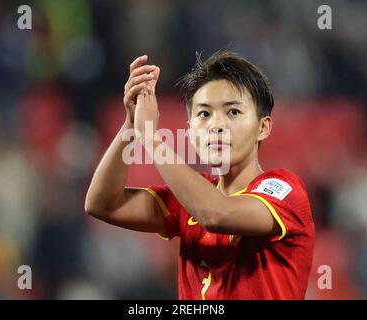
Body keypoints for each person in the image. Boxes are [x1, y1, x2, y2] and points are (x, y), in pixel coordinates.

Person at [85, 50, 315, 300]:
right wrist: (131, 124)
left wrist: (151, 136)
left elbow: (215, 213)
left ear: (263, 127)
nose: (216, 125)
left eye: (233, 112)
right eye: (204, 114)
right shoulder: (188, 200)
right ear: (190, 131)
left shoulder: (285, 190)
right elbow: (102, 204)